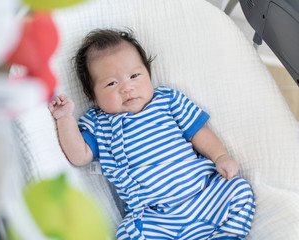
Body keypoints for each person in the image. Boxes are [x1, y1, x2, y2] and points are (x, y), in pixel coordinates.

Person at [48, 29, 255, 240]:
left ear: (148, 74)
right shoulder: (99, 123)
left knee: (239, 189)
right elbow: (79, 156)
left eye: (135, 76)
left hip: (205, 192)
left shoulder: (167, 100)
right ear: (92, 96)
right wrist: (65, 118)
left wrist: (220, 156)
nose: (127, 87)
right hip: (156, 216)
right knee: (128, 233)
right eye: (112, 83)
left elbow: (198, 133)